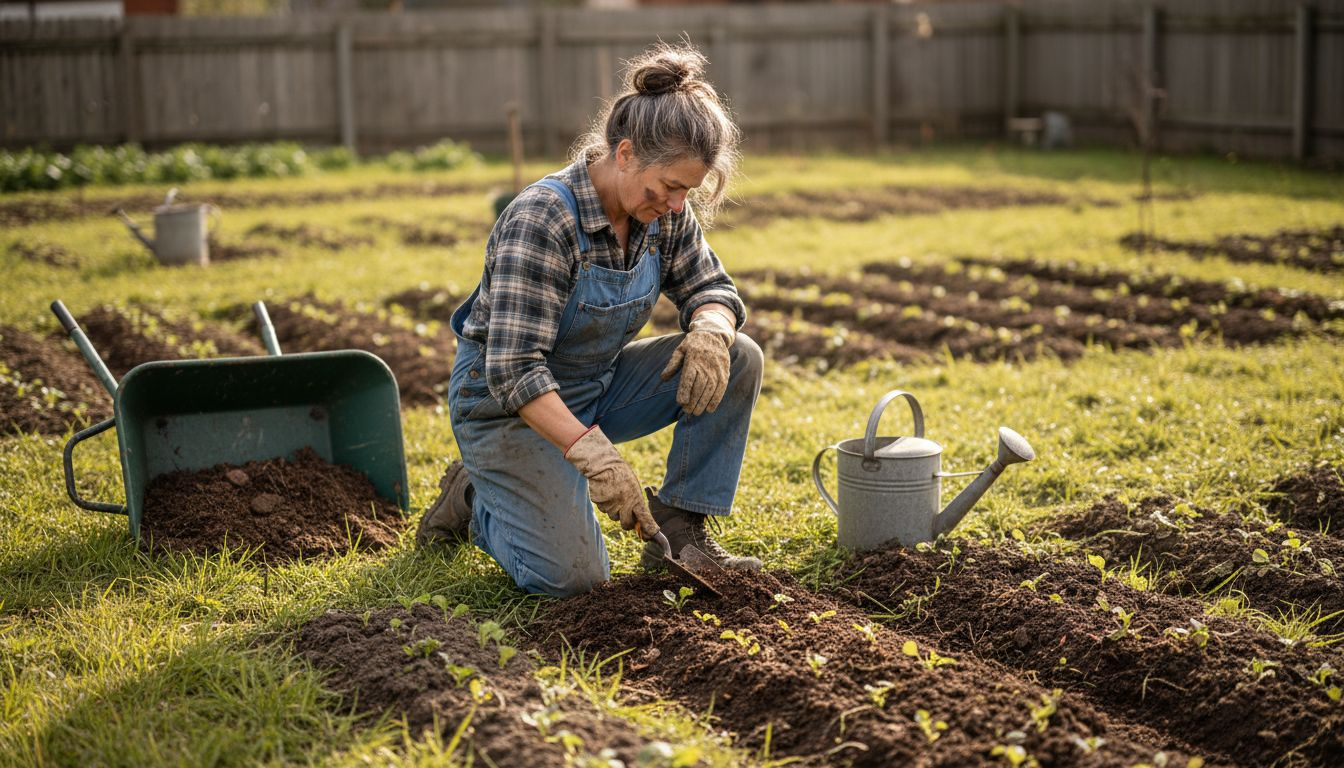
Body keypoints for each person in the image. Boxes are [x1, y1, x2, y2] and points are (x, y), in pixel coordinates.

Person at [416, 42, 764, 598]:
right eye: (670, 187)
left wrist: (712, 329)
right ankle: (475, 501)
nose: (677, 205)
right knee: (577, 580)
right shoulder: (544, 218)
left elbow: (711, 288)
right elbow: (513, 371)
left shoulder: (663, 213)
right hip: (507, 408)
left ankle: (680, 526)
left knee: (738, 356)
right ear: (624, 153)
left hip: (594, 387)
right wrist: (592, 453)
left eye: (687, 191)